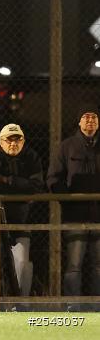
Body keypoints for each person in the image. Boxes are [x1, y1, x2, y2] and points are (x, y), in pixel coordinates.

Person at [0, 123, 44, 297]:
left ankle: (20, 303)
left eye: (18, 140)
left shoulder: (31, 157)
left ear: (23, 141)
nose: (13, 144)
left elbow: (37, 187)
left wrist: (7, 181)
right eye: (9, 140)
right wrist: (21, 185)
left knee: (22, 263)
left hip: (20, 221)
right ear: (1, 141)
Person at [48, 107, 100, 303]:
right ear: (79, 123)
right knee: (74, 265)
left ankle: (97, 308)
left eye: (94, 118)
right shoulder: (66, 147)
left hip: (98, 216)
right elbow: (54, 178)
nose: (90, 121)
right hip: (75, 216)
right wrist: (67, 201)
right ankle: (73, 306)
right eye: (86, 118)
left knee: (98, 266)